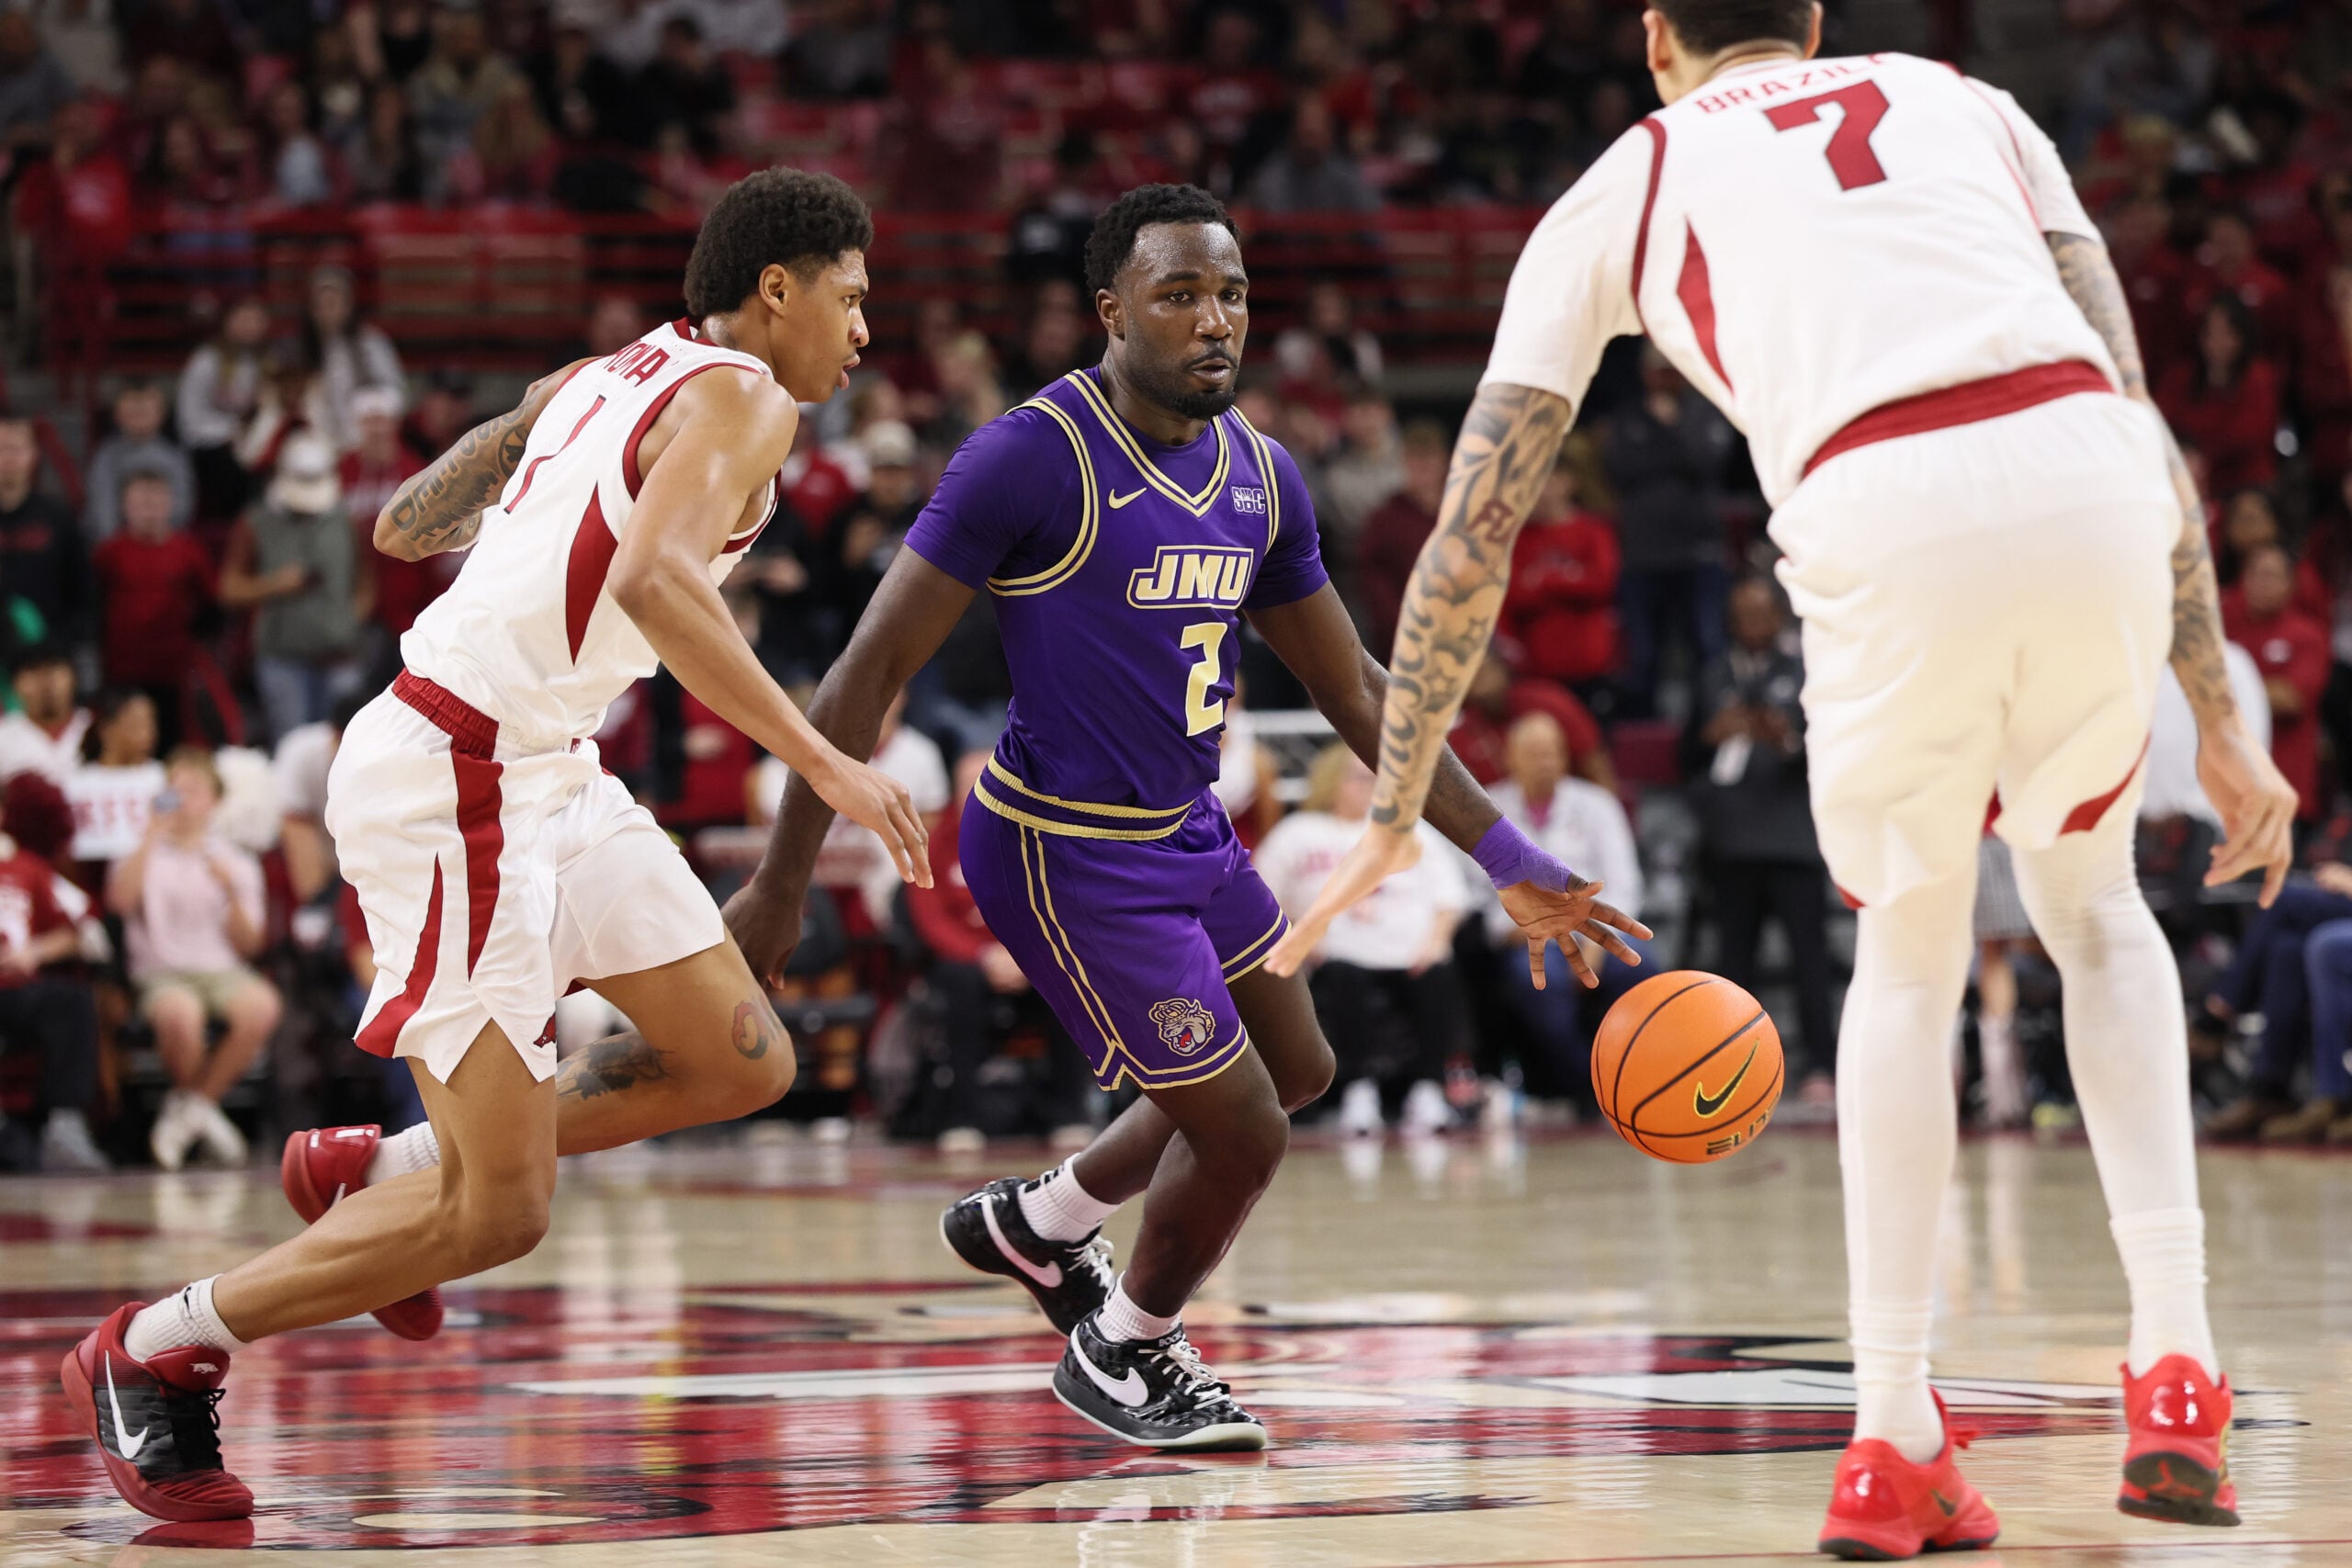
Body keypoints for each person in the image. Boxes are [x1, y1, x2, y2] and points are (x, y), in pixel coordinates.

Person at [1270, 6, 2299, 1557]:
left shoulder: (1633, 172)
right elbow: (2134, 394)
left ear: (1654, 38)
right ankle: (2176, 1369)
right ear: (1814, 19)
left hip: (1882, 496)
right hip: (2091, 470)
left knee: (1908, 955)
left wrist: (1402, 805)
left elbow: (1472, 532)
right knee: (2096, 915)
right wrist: (2221, 715)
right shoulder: (1965, 100)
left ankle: (1891, 1433)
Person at [59, 168, 928, 1524]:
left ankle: (378, 1164)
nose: (865, 331)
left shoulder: (605, 371)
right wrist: (824, 759)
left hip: (548, 764)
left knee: (741, 1053)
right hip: (458, 773)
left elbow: (408, 521)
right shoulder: (748, 396)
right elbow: (650, 579)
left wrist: (517, 491)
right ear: (780, 288)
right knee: (501, 1213)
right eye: (855, 295)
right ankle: (161, 1342)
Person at [718, 183, 1643, 1452]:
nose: (1217, 321)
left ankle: (1039, 1222)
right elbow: (865, 670)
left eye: (1233, 294)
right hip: (1061, 847)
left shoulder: (1263, 471)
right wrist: (779, 880)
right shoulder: (1030, 455)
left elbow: (1358, 688)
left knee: (1302, 1067)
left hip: (1188, 835)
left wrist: (1511, 857)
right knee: (1244, 1122)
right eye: (1180, 295)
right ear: (1111, 312)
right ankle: (1127, 1347)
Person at [1257, 744, 1472, 1137]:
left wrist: (1437, 942)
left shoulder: (1409, 830)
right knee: (1343, 980)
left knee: (1441, 974)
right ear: (1332, 781)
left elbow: (1450, 897)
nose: (1372, 787)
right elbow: (1261, 899)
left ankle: (1426, 1089)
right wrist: (1301, 939)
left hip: (1410, 953)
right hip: (1335, 957)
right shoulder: (1299, 833)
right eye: (1361, 778)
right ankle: (1358, 1092)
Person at [1685, 576, 1836, 1111]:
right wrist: (1711, 738)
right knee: (1734, 965)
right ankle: (1733, 1069)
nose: (1750, 624)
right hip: (1731, 844)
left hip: (1792, 841)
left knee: (1809, 962)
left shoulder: (1804, 673)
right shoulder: (1713, 675)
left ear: (1778, 617)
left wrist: (1785, 739)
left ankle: (1822, 1065)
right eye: (1740, 614)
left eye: (1759, 613)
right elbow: (1686, 760)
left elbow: (1829, 753)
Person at [107, 747, 278, 1172]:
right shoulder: (139, 850)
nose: (182, 798)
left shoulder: (235, 861)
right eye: (174, 788)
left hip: (221, 969)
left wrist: (233, 895)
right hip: (162, 971)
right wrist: (149, 836)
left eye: (194, 789)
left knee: (262, 1006)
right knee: (181, 1018)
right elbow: (119, 903)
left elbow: (250, 945)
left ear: (215, 801)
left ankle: (190, 1112)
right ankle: (203, 1116)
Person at [1482, 710, 1645, 1108]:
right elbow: (1479, 892)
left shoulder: (1597, 804)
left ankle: (1640, 1076)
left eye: (1554, 752)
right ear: (1509, 757)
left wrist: (1597, 938)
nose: (1547, 763)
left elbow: (1624, 884)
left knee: (1644, 969)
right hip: (1528, 936)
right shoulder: (1487, 809)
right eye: (1535, 753)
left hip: (1597, 929)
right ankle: (1587, 1084)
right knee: (1536, 981)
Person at [220, 432, 371, 742]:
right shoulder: (255, 523)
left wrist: (350, 620)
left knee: (346, 747)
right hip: (282, 658)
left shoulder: (347, 521)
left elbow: (367, 581)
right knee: (292, 746)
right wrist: (275, 585)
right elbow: (229, 588)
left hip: (340, 658)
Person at [0, 776, 107, 1173]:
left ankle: (65, 1124)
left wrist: (37, 951)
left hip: (18, 986)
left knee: (74, 999)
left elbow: (83, 931)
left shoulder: (25, 867)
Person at [90, 469, 213, 730]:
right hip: (121, 668)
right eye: (140, 503)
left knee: (170, 734)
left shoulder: (189, 551)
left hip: (172, 670)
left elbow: (211, 602)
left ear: (170, 504)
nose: (148, 510)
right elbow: (93, 602)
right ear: (124, 506)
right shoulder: (109, 552)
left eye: (155, 502)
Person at [0, 416, 86, 643]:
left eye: (17, 448)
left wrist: (60, 645)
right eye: (1, 448)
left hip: (44, 658)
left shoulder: (57, 517)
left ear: (34, 454)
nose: (8, 457)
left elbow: (82, 594)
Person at [84, 379, 197, 543]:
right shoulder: (106, 457)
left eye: (145, 411)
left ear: (161, 414)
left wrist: (160, 541)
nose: (139, 416)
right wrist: (119, 546)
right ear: (117, 414)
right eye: (133, 411)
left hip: (164, 544)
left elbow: (183, 506)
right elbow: (102, 510)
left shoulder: (174, 458)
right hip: (118, 546)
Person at [66, 688, 164, 871]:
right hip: (90, 874)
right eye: (136, 723)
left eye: (151, 722)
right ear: (106, 729)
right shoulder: (76, 783)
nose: (148, 732)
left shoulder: (162, 778)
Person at [0, 644, 91, 786]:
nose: (45, 684)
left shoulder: (100, 727)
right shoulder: (3, 735)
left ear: (74, 677)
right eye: (33, 672)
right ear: (14, 685)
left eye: (53, 670)